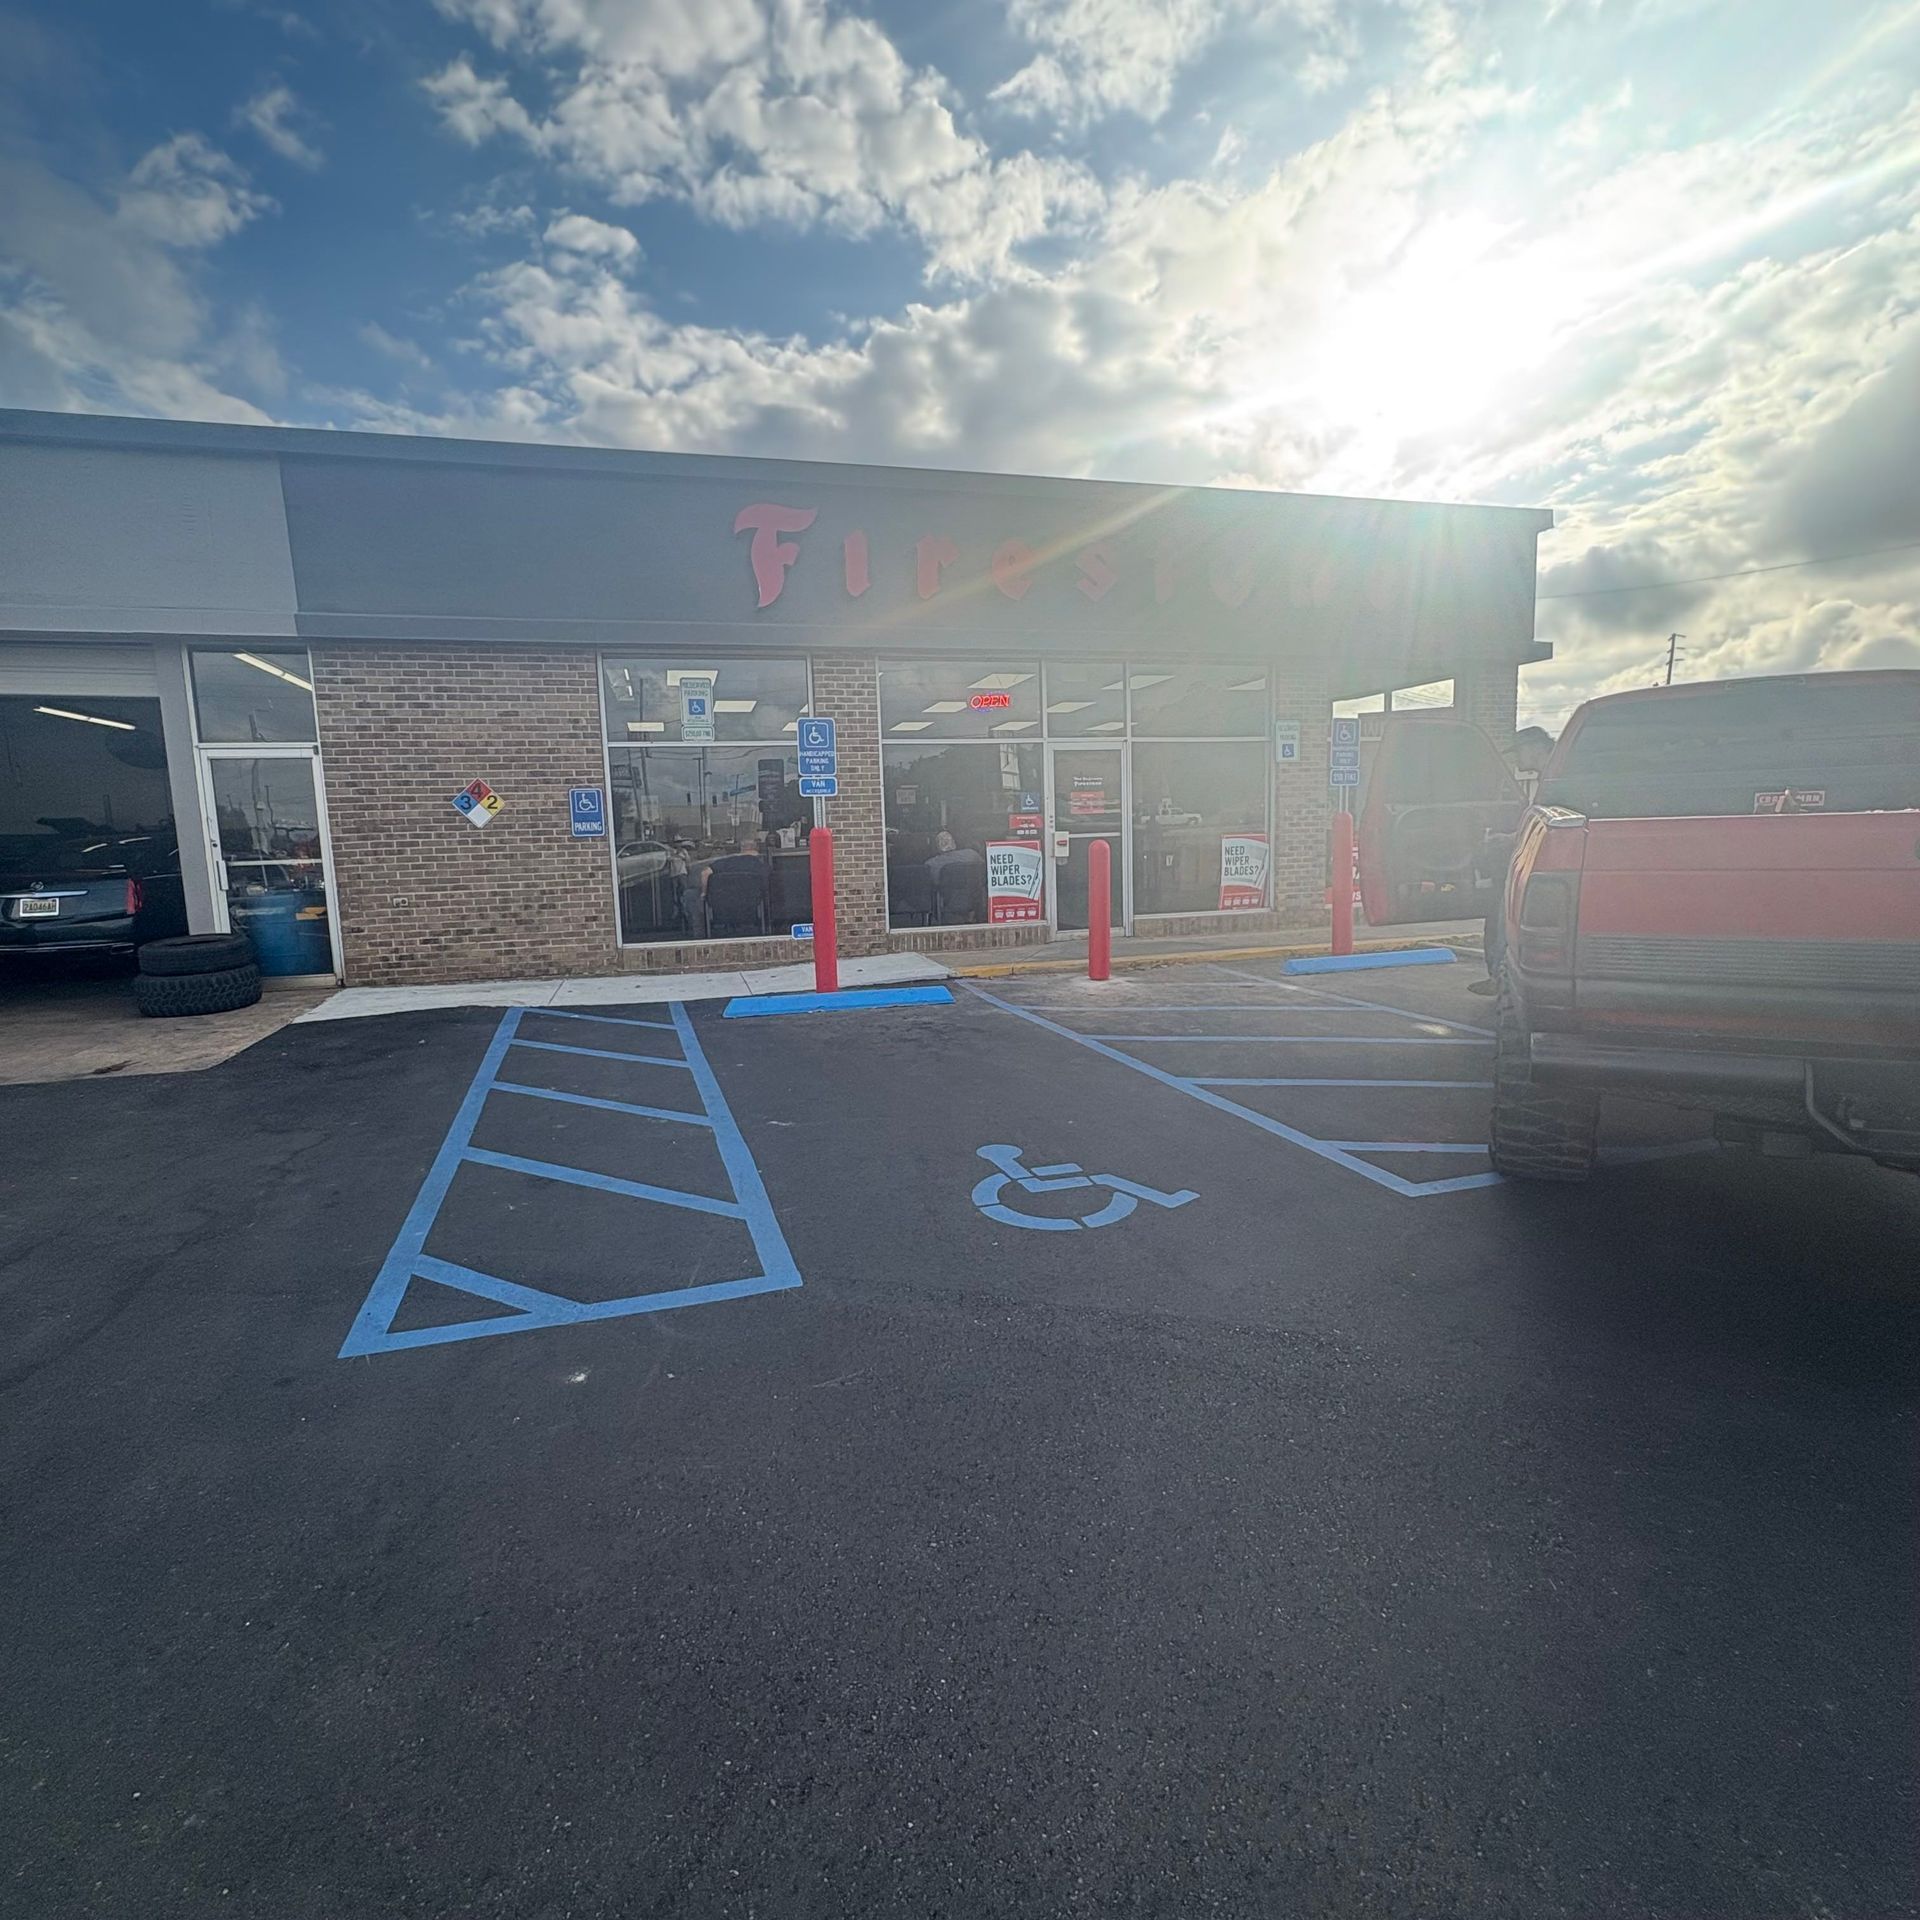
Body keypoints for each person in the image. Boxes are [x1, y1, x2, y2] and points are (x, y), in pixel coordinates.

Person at [926, 829, 985, 922]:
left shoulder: (932, 864)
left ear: (936, 846)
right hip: (975, 900)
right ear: (954, 842)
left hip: (948, 902)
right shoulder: (972, 854)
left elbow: (933, 884)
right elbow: (984, 873)